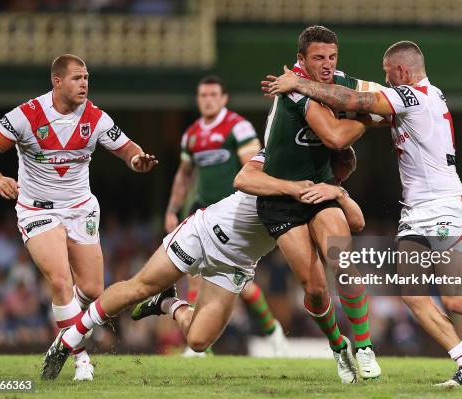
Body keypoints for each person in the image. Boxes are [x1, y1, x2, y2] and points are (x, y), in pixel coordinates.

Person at [264, 40, 462, 386]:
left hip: (447, 206)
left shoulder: (414, 96)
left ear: (401, 72)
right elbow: (361, 110)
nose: (387, 82)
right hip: (415, 212)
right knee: (413, 296)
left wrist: (299, 84)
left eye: (389, 76)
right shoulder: (420, 97)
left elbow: (354, 100)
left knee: (457, 299)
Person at [41, 148, 365, 381]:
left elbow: (357, 222)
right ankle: (68, 340)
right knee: (138, 287)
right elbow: (243, 178)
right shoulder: (282, 158)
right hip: (205, 232)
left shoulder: (326, 196)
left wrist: (338, 192)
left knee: (198, 341)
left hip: (236, 264)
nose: (336, 180)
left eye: (341, 178)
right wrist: (293, 187)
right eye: (337, 175)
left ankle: (167, 302)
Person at [0, 54, 158, 381]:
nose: (84, 83)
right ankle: (81, 359)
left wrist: (137, 161)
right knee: (61, 282)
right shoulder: (27, 116)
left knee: (91, 289)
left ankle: (64, 333)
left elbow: (127, 148)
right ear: (57, 82)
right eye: (76, 78)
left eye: (86, 77)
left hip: (80, 208)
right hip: (37, 210)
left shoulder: (95, 118)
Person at [254, 25, 383, 383]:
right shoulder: (291, 86)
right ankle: (339, 347)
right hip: (281, 196)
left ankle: (365, 346)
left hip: (321, 190)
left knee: (342, 261)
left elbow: (386, 99)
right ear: (301, 60)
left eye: (332, 57)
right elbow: (334, 135)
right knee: (314, 289)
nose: (327, 65)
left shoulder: (338, 80)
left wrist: (383, 105)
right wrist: (367, 118)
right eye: (318, 58)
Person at [164, 75, 287, 356]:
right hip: (202, 210)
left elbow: (256, 166)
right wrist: (172, 209)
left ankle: (272, 330)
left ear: (223, 98)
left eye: (212, 95)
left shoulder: (238, 127)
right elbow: (184, 175)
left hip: (234, 214)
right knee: (194, 275)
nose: (207, 100)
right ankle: (199, 349)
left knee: (242, 285)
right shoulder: (191, 134)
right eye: (203, 96)